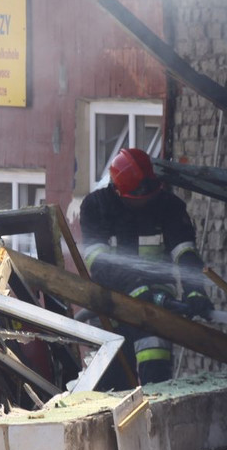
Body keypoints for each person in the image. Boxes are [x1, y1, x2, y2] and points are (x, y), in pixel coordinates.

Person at [79, 148, 213, 387]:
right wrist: (135, 287)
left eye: (149, 192)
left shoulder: (168, 207)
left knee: (156, 371)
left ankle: (156, 415)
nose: (146, 199)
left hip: (155, 308)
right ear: (118, 191)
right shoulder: (96, 207)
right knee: (112, 385)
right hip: (110, 306)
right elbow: (97, 262)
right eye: (138, 196)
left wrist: (195, 292)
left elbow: (186, 254)